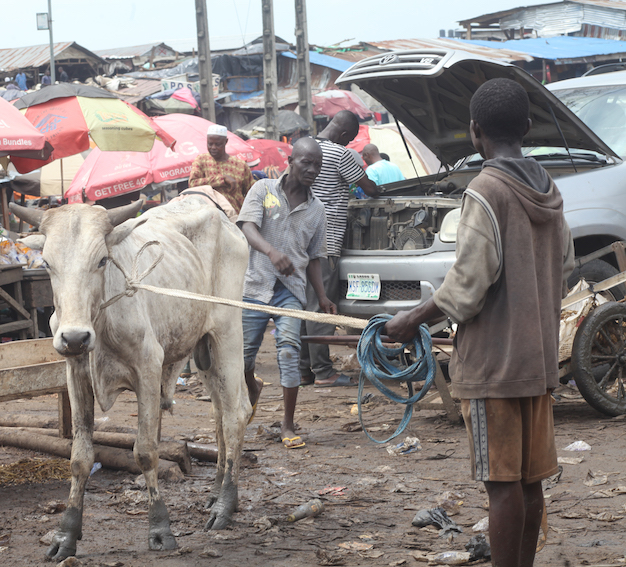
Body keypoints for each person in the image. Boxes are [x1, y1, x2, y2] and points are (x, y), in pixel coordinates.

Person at [384, 78, 575, 567]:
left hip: (494, 369)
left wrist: (413, 318)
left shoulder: (485, 191)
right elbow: (566, 268)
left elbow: (466, 288)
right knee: (529, 483)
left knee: (501, 486)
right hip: (537, 363)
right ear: (528, 128)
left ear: (474, 132)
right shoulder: (549, 191)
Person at [239, 137, 336, 450]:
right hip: (255, 284)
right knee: (243, 357)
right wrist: (271, 252)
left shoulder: (317, 210)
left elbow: (315, 258)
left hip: (291, 291)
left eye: (317, 165)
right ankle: (251, 387)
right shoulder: (264, 191)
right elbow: (248, 227)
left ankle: (288, 423)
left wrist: (321, 297)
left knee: (289, 352)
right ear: (290, 161)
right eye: (306, 162)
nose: (311, 169)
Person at [299, 111, 379, 388]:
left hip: (299, 239)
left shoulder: (304, 148)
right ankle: (323, 372)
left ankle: (303, 371)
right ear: (346, 136)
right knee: (321, 305)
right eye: (350, 140)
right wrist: (383, 190)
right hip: (326, 241)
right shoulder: (340, 155)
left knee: (302, 306)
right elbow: (368, 188)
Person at [188, 124, 253, 212]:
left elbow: (252, 192)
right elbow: (192, 183)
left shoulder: (240, 165)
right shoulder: (201, 160)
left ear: (225, 142)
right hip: (208, 213)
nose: (213, 148)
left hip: (236, 214)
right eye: (210, 144)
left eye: (218, 144)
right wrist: (222, 179)